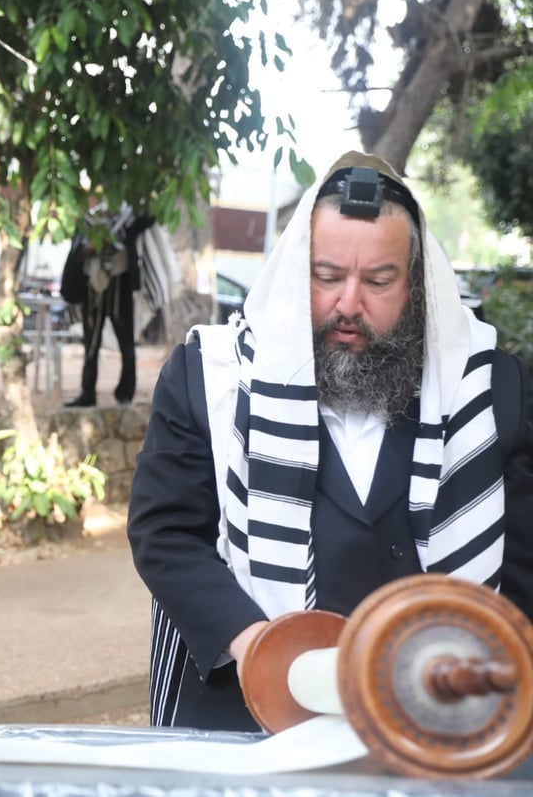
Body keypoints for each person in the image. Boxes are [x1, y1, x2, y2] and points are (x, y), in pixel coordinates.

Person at [127, 151, 533, 732]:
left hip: (430, 717)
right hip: (241, 706)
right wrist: (266, 649)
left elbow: (520, 571)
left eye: (378, 281)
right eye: (327, 277)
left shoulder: (488, 390)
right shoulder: (210, 373)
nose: (348, 304)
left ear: (415, 286)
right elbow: (163, 534)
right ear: (299, 273)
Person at [60, 204, 156, 407]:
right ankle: (87, 393)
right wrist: (92, 248)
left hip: (120, 284)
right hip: (93, 286)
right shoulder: (88, 220)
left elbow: (149, 219)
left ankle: (125, 394)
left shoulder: (128, 218)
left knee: (126, 343)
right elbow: (78, 251)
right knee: (91, 343)